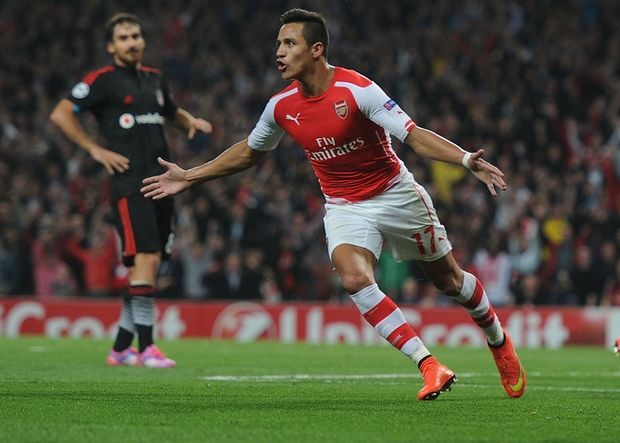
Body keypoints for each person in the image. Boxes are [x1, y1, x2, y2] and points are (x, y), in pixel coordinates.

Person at [141, 8, 526, 398]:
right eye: (278, 44)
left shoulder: (357, 90)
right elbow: (249, 152)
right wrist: (189, 176)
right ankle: (429, 365)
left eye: (289, 43)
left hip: (396, 194)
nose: (279, 52)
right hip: (344, 206)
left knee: (450, 281)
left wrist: (465, 159)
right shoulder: (281, 106)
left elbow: (413, 135)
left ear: (316, 50)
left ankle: (498, 340)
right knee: (355, 279)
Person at [50, 13, 213, 368]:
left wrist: (190, 122)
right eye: (123, 38)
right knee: (146, 260)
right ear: (111, 47)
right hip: (130, 185)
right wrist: (94, 150)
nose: (132, 42)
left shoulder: (154, 78)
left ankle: (121, 348)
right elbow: (61, 113)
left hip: (163, 184)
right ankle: (147, 347)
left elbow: (170, 111)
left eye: (136, 36)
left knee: (149, 268)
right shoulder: (102, 81)